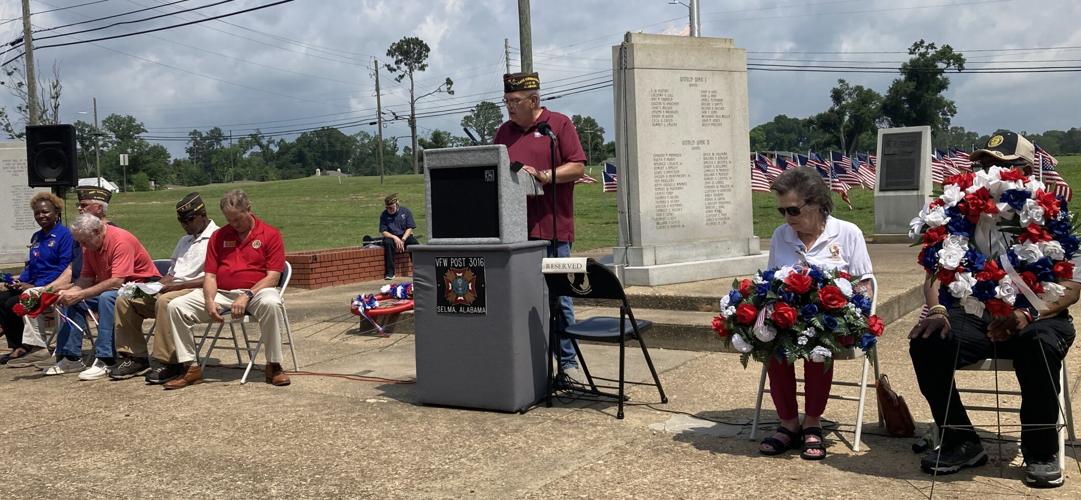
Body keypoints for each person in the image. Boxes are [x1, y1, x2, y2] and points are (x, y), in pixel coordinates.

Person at [908, 131, 1078, 488]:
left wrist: (1026, 314)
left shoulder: (1054, 214)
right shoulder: (959, 214)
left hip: (1038, 315)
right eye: (984, 163)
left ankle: (1041, 450)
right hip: (974, 315)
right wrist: (937, 309)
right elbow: (936, 273)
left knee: (1039, 346)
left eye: (1002, 165)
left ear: (1025, 169)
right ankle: (960, 440)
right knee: (928, 342)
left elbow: (1073, 287)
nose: (990, 171)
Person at [759, 167, 873, 460]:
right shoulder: (780, 236)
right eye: (782, 211)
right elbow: (771, 281)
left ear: (817, 203)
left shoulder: (847, 233)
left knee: (817, 345)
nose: (787, 219)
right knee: (772, 338)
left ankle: (812, 420)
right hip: (792, 319)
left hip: (833, 322)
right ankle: (787, 422)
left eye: (794, 210)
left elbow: (865, 283)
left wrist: (851, 312)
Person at [493, 71, 587, 384]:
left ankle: (568, 367)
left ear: (534, 100)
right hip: (515, 234)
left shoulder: (557, 126)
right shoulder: (503, 133)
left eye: (516, 101)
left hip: (554, 231)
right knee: (521, 300)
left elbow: (577, 166)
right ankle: (528, 368)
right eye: (507, 101)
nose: (510, 107)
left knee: (561, 300)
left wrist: (545, 175)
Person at [164, 189, 290, 389]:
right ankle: (191, 367)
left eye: (238, 219)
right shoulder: (219, 236)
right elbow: (211, 275)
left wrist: (247, 295)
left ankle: (274, 365)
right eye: (229, 220)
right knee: (176, 306)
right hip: (223, 292)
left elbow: (273, 277)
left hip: (257, 292)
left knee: (272, 303)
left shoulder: (270, 234)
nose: (234, 225)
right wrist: (209, 300)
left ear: (248, 209)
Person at [110, 193, 220, 382]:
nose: (185, 225)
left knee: (165, 301)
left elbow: (215, 277)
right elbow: (172, 273)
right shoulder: (184, 241)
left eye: (189, 220)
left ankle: (168, 361)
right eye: (181, 221)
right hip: (174, 286)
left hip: (197, 289)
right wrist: (155, 286)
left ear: (203, 214)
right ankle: (135, 356)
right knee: (125, 298)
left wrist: (177, 286)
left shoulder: (217, 237)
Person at [46, 213, 160, 379]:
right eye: (79, 242)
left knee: (107, 297)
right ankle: (70, 357)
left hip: (143, 287)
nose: (82, 246)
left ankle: (106, 359)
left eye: (84, 241)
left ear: (97, 232)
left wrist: (80, 294)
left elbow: (116, 282)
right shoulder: (89, 246)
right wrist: (70, 293)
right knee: (71, 300)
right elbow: (86, 278)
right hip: (118, 287)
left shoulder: (120, 240)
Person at [0, 192, 75, 365]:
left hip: (54, 286)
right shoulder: (37, 237)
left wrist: (32, 285)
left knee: (14, 303)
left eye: (45, 212)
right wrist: (17, 282)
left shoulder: (65, 236)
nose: (41, 216)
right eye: (37, 213)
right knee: (2, 299)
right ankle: (18, 346)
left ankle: (36, 346)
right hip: (33, 284)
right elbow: (32, 267)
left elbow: (64, 268)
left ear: (56, 213)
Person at [379, 193, 418, 280]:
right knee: (387, 243)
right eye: (387, 208)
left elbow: (410, 228)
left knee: (414, 243)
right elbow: (383, 231)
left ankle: (418, 271)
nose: (389, 209)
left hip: (405, 236)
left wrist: (403, 239)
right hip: (391, 236)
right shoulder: (384, 215)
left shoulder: (405, 212)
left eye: (391, 207)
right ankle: (390, 273)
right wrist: (395, 238)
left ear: (396, 204)